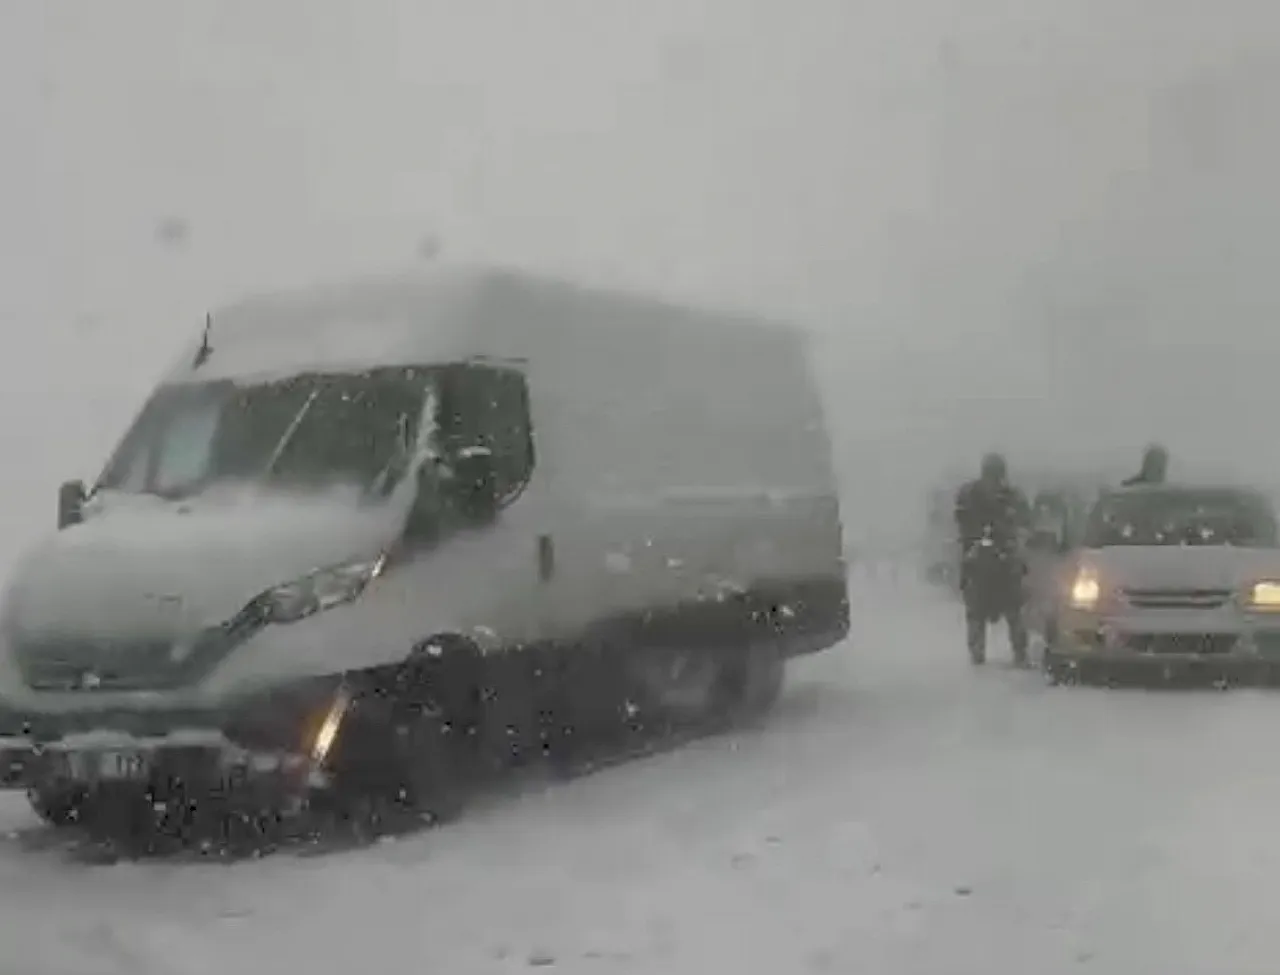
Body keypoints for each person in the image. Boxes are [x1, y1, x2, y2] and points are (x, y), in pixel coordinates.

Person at [954, 453, 1032, 665]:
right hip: (978, 558)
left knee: (1014, 607)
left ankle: (1020, 652)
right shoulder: (970, 494)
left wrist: (1013, 535)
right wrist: (974, 537)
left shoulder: (1012, 496)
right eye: (991, 473)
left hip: (1005, 557)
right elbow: (961, 519)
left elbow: (1025, 520)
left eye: (997, 474)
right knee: (976, 609)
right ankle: (977, 652)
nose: (994, 479)